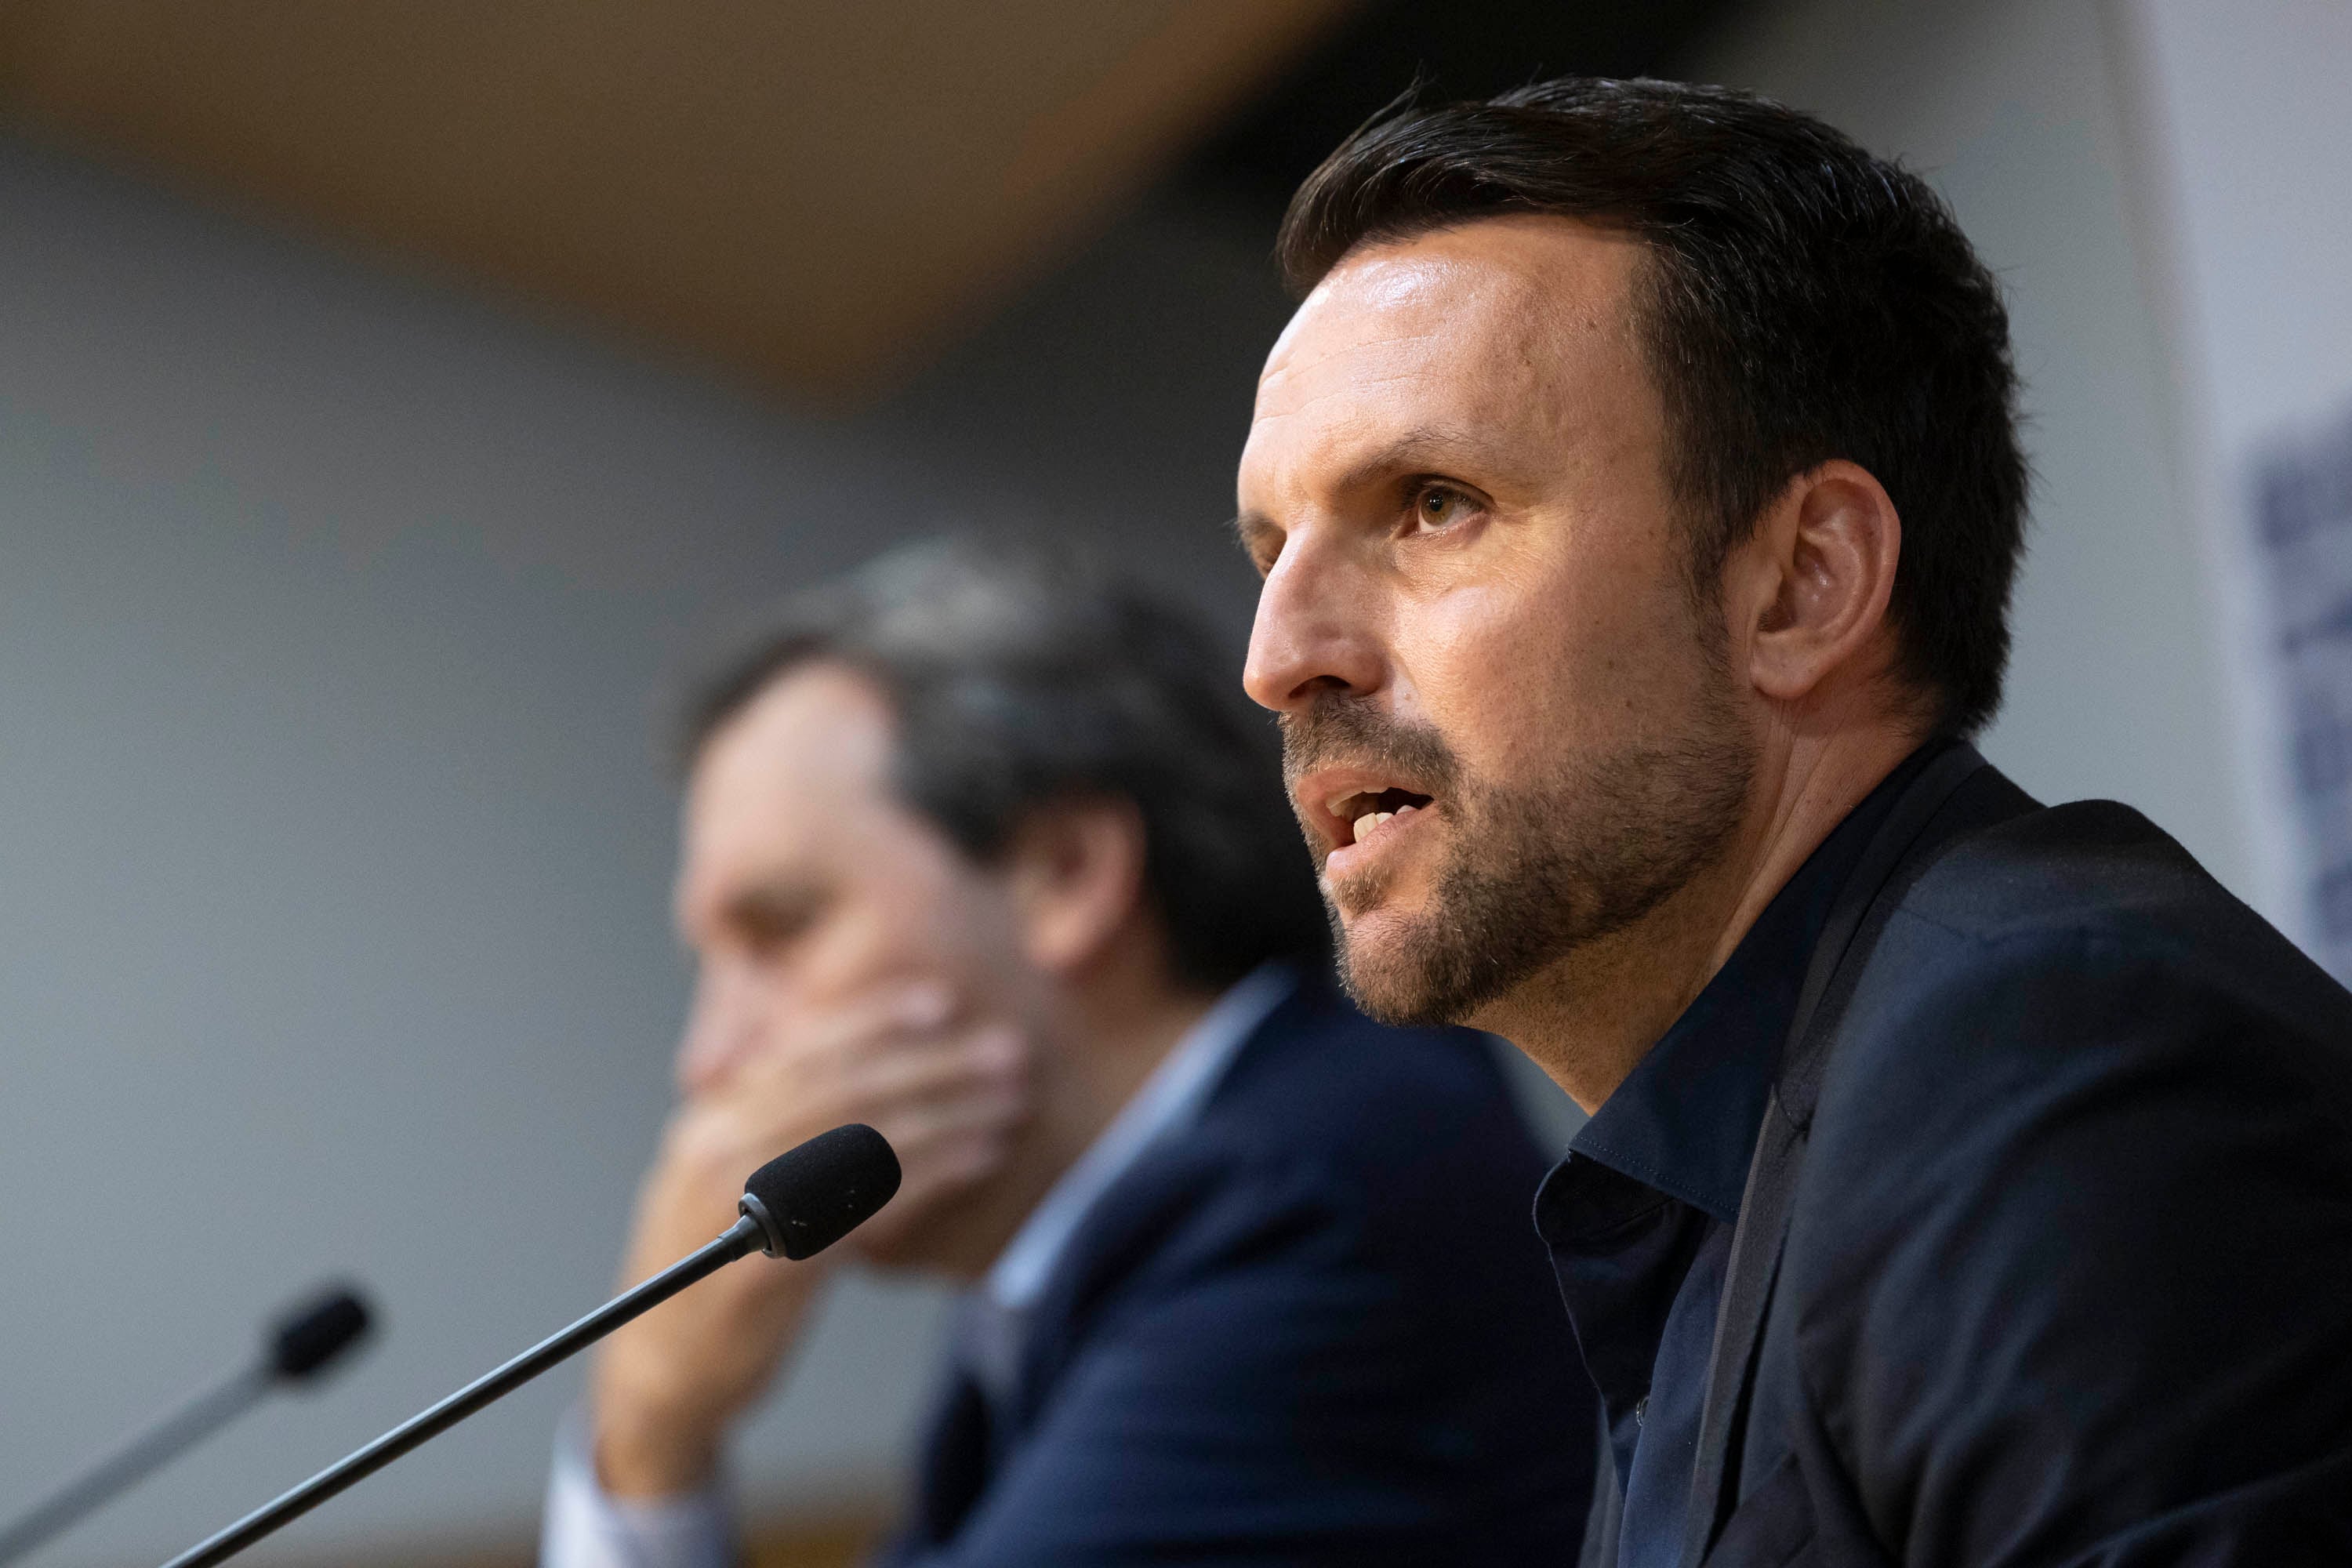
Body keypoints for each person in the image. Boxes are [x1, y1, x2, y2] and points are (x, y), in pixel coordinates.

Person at [1235, 76, 2352, 1567]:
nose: (1278, 655)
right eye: (1270, 548)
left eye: (1434, 503)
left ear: (1803, 584)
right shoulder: (1737, 1169)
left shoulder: (2048, 1060)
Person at [539, 539, 1595, 1566]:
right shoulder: (1094, 1247)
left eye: (783, 928)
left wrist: (650, 1430)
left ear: (1067, 873)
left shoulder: (1317, 1204)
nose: (710, 1058)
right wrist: (650, 1436)